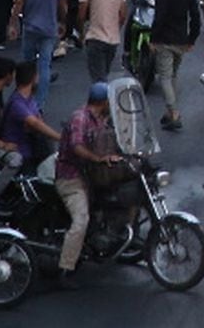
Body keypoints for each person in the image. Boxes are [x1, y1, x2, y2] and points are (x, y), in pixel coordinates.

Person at [55, 81, 121, 289]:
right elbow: (77, 147)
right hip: (71, 177)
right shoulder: (80, 118)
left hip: (92, 176)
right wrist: (97, 159)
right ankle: (65, 270)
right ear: (102, 102)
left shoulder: (101, 119)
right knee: (80, 220)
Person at [146, 0, 202, 132]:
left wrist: (154, 37)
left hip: (165, 39)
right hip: (181, 38)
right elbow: (195, 13)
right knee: (173, 76)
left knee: (165, 77)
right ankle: (169, 112)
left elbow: (160, 14)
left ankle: (174, 112)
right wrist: (192, 37)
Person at [11, 0, 67, 108]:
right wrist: (62, 21)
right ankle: (39, 104)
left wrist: (13, 22)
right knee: (44, 65)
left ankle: (24, 98)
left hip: (29, 25)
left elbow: (19, 1)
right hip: (49, 26)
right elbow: (61, 3)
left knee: (27, 63)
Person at [0, 60, 64, 164]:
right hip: (21, 152)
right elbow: (35, 123)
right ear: (34, 78)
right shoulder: (17, 103)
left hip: (33, 148)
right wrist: (60, 137)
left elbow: (38, 120)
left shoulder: (29, 99)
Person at [77, 0, 128, 82]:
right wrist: (116, 28)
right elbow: (122, 15)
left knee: (98, 78)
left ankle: (101, 101)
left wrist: (82, 33)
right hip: (113, 39)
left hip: (95, 37)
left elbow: (81, 15)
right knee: (105, 72)